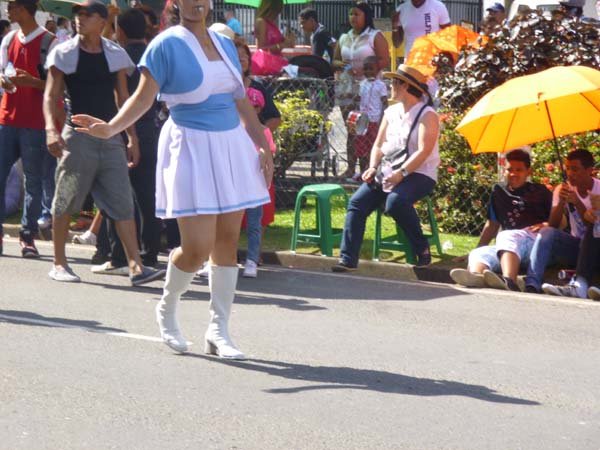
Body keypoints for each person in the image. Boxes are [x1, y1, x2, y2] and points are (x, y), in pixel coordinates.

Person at [70, 0, 273, 359]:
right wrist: (112, 128)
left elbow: (240, 101)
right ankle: (167, 306)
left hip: (230, 146)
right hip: (190, 146)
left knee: (227, 242)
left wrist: (262, 146)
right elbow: (143, 98)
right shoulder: (165, 44)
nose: (196, 3)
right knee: (196, 248)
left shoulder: (225, 44)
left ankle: (219, 330)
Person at [43, 0, 164, 285]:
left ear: (102, 21)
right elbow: (51, 95)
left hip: (110, 137)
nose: (79, 19)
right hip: (77, 137)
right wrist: (51, 129)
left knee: (122, 202)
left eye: (87, 15)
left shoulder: (115, 53)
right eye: (78, 15)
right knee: (66, 199)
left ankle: (136, 266)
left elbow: (123, 99)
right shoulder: (63, 53)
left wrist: (131, 136)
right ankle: (59, 263)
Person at [332, 65, 439, 272]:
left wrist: (402, 174)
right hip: (389, 170)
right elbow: (379, 145)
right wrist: (373, 167)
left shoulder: (427, 115)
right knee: (357, 203)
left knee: (396, 202)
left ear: (405, 86)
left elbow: (424, 151)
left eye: (394, 82)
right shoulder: (391, 112)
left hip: (420, 173)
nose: (390, 86)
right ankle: (348, 259)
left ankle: (422, 248)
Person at [87, 7, 162, 275]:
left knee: (115, 195)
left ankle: (118, 255)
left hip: (121, 129)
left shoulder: (117, 57)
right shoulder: (155, 54)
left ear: (120, 30)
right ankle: (150, 252)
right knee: (147, 195)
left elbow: (119, 97)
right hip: (151, 128)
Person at [0, 0, 57, 257]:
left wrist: (32, 82)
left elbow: (58, 86)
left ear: (23, 9)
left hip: (36, 122)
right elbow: (3, 71)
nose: (8, 10)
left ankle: (27, 235)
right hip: (7, 118)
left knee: (33, 181)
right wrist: (4, 80)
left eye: (12, 6)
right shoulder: (8, 39)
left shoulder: (50, 42)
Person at [449, 150, 552, 291]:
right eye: (510, 169)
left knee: (506, 235)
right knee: (479, 253)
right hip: (508, 248)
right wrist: (476, 248)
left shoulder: (540, 191)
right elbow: (492, 224)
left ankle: (510, 281)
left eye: (519, 170)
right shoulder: (498, 192)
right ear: (504, 170)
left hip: (534, 245)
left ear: (529, 172)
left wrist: (547, 224)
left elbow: (561, 222)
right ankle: (476, 277)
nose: (513, 174)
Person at [523, 150, 599, 293]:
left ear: (589, 170)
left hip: (595, 249)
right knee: (547, 232)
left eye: (575, 169)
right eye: (568, 168)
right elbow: (553, 224)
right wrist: (561, 203)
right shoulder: (562, 189)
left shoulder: (598, 190)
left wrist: (577, 202)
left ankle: (578, 284)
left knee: (594, 227)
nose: (570, 173)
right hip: (576, 247)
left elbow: (593, 227)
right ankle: (532, 283)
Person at [332, 2, 390, 179]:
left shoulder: (375, 36)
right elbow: (334, 60)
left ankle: (368, 169)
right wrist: (342, 65)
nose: (353, 18)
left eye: (357, 14)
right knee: (351, 129)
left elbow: (385, 60)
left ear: (366, 16)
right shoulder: (344, 37)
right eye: (351, 14)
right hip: (348, 89)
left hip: (369, 89)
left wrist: (367, 69)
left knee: (368, 130)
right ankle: (350, 168)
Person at [242, 87, 276, 278]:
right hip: (237, 183)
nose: (252, 110)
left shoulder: (264, 131)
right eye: (249, 105)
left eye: (256, 106)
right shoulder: (235, 130)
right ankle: (219, 258)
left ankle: (252, 260)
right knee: (226, 223)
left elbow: (269, 154)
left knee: (254, 224)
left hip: (256, 183)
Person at [352, 56, 388, 176]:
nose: (368, 71)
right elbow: (358, 99)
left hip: (374, 120)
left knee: (373, 145)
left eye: (371, 69)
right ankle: (362, 172)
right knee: (361, 147)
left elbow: (384, 102)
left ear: (377, 70)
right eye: (365, 69)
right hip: (362, 120)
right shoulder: (362, 84)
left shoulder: (381, 85)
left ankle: (373, 171)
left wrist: (384, 118)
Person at [236, 39, 281, 132]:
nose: (242, 59)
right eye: (236, 56)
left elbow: (275, 119)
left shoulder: (258, 87)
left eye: (244, 55)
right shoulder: (222, 88)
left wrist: (258, 134)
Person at [252, 0, 295, 76]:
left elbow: (286, 44)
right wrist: (281, 45)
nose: (279, 12)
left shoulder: (272, 24)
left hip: (276, 64)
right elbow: (261, 48)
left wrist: (289, 40)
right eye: (278, 9)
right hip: (266, 66)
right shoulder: (261, 22)